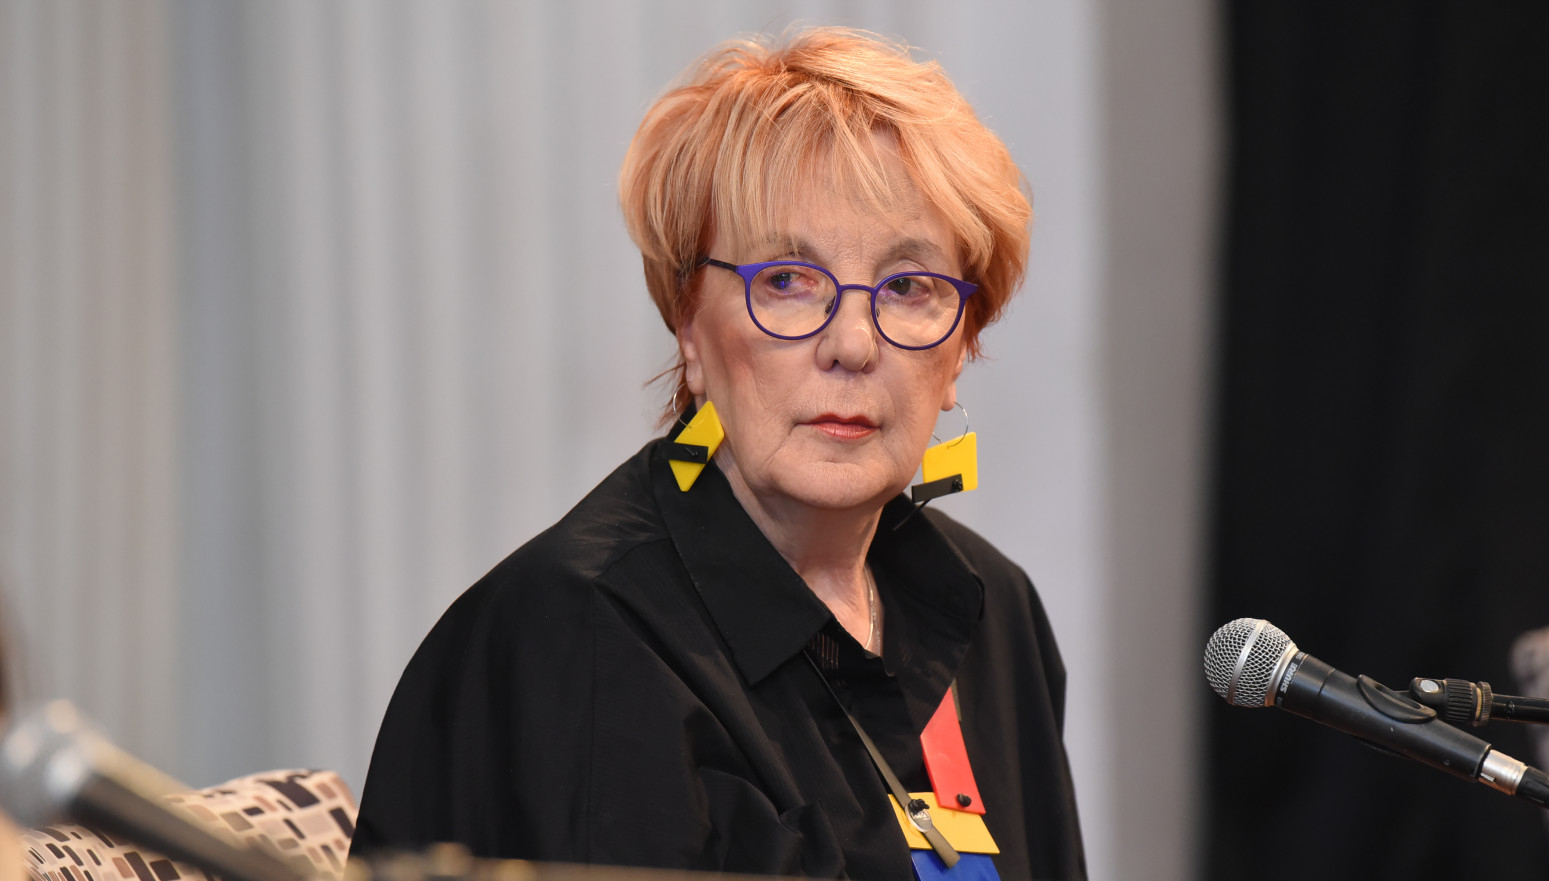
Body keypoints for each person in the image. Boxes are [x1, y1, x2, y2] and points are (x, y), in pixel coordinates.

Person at [351, 27, 1085, 880]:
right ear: (689, 329)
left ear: (961, 348)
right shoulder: (580, 637)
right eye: (787, 280)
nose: (851, 343)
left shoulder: (992, 610)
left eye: (907, 287)